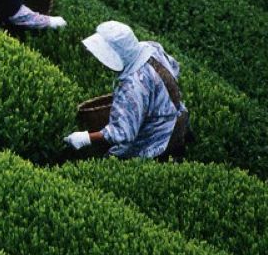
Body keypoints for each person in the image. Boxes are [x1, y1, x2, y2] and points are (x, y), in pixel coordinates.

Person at [63, 21, 190, 161]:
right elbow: (174, 68)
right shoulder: (151, 48)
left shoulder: (132, 86)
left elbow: (123, 133)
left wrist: (86, 138)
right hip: (178, 118)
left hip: (158, 141)